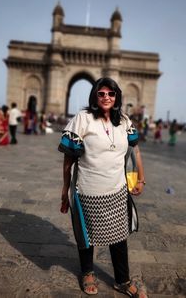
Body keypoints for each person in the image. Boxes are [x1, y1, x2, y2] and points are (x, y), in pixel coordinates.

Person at [58, 77, 146, 297]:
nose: (106, 97)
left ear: (117, 97)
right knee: (86, 235)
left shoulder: (124, 120)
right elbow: (69, 158)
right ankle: (87, 272)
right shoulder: (83, 118)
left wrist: (141, 178)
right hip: (87, 189)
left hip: (117, 190)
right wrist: (65, 189)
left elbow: (135, 150)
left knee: (119, 237)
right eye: (101, 93)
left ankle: (122, 280)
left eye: (111, 93)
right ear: (95, 96)